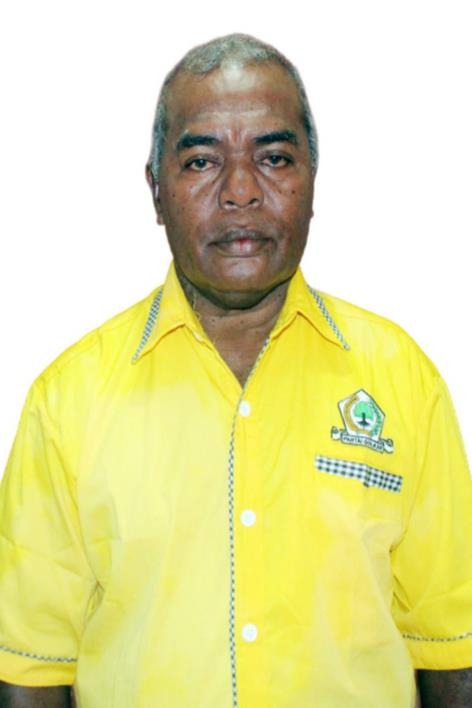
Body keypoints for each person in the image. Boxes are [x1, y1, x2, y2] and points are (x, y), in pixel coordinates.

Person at [0, 32, 471, 708]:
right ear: (155, 190)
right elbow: (30, 668)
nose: (242, 192)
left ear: (313, 180)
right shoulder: (67, 400)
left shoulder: (404, 381)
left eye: (274, 157)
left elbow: (452, 649)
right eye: (201, 161)